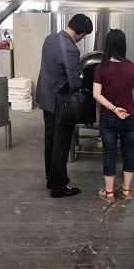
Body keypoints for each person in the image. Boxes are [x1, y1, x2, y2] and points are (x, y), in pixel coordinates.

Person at [36, 14, 94, 198]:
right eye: (84, 36)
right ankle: (58, 187)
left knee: (50, 140)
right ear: (82, 34)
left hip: (46, 96)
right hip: (60, 102)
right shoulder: (70, 48)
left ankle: (51, 178)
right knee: (61, 143)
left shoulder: (50, 39)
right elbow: (74, 81)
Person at [93, 29, 134, 203]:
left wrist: (113, 108)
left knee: (109, 154)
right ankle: (126, 190)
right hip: (129, 116)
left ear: (107, 45)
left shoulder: (101, 67)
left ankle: (109, 193)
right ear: (123, 45)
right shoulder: (132, 66)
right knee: (129, 153)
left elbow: (96, 94)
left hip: (109, 116)